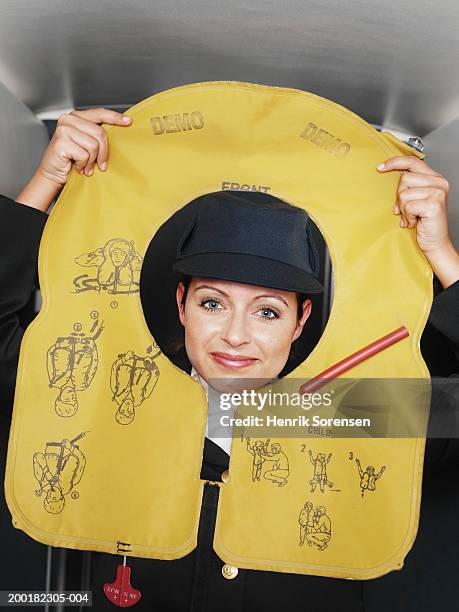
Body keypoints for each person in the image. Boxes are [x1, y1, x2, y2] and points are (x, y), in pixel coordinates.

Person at [1, 108, 459, 611]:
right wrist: (45, 181)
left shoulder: (355, 412)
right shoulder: (101, 397)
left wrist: (442, 254)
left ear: (300, 321)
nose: (235, 335)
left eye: (267, 311)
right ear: (182, 306)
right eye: (213, 303)